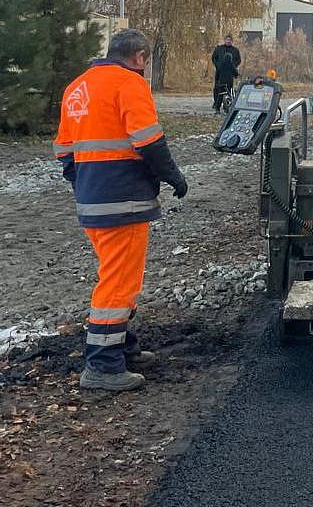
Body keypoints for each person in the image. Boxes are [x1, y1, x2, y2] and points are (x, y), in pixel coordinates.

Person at [54, 29, 189, 391]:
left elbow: (64, 152)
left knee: (115, 273)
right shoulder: (129, 85)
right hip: (124, 200)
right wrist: (174, 177)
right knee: (118, 283)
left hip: (92, 199)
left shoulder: (77, 88)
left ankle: (122, 346)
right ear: (140, 57)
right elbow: (149, 141)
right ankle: (103, 365)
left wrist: (87, 184)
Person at [211, 33, 241, 113]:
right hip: (220, 71)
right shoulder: (219, 48)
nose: (228, 41)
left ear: (232, 41)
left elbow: (238, 60)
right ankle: (216, 104)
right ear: (225, 40)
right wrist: (217, 65)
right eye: (227, 40)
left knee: (228, 91)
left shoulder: (235, 50)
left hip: (229, 73)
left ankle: (226, 105)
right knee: (217, 89)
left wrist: (234, 67)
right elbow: (214, 58)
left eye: (230, 40)